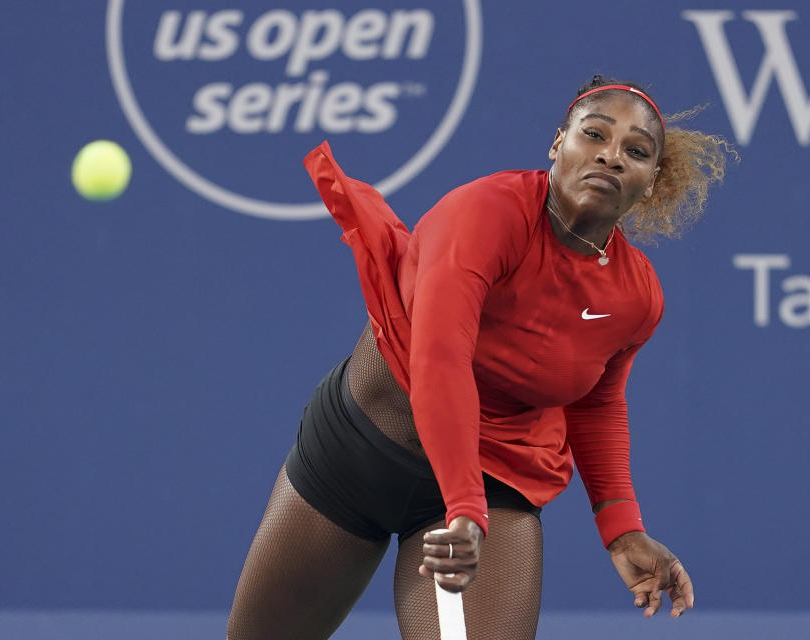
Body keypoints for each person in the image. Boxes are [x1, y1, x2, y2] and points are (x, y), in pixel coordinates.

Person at [226, 75, 733, 640]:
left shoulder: (637, 294)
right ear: (558, 142)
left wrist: (620, 527)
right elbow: (440, 360)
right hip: (363, 451)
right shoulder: (484, 213)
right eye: (594, 135)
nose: (611, 156)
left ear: (651, 179)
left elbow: (595, 403)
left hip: (498, 479)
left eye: (635, 152)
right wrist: (462, 508)